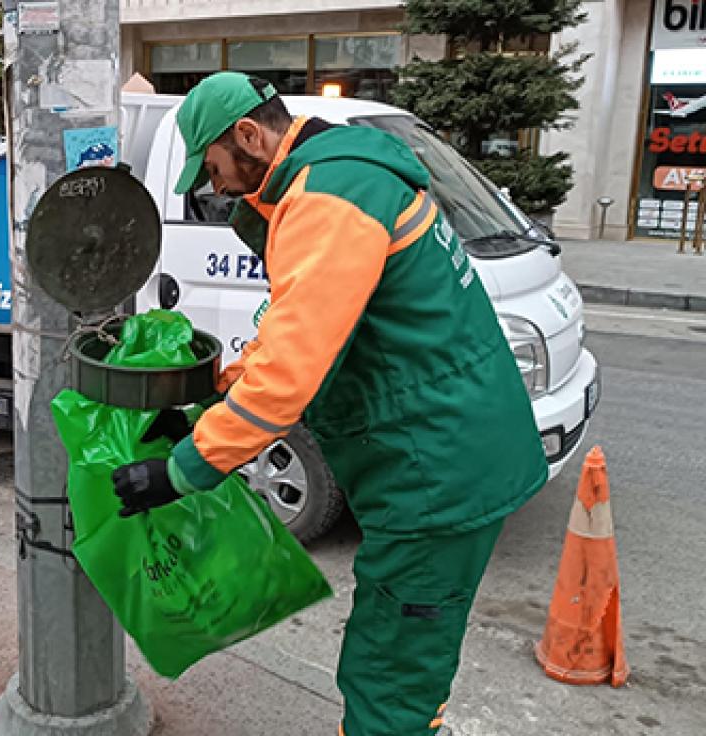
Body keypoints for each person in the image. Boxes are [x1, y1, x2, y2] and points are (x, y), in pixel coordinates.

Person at [110, 72, 548, 736]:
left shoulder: (327, 198)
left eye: (214, 172)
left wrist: (180, 470)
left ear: (249, 135)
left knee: (390, 679)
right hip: (442, 449)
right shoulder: (336, 179)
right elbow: (293, 329)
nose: (218, 190)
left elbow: (289, 377)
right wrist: (213, 398)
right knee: (395, 656)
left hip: (436, 468)